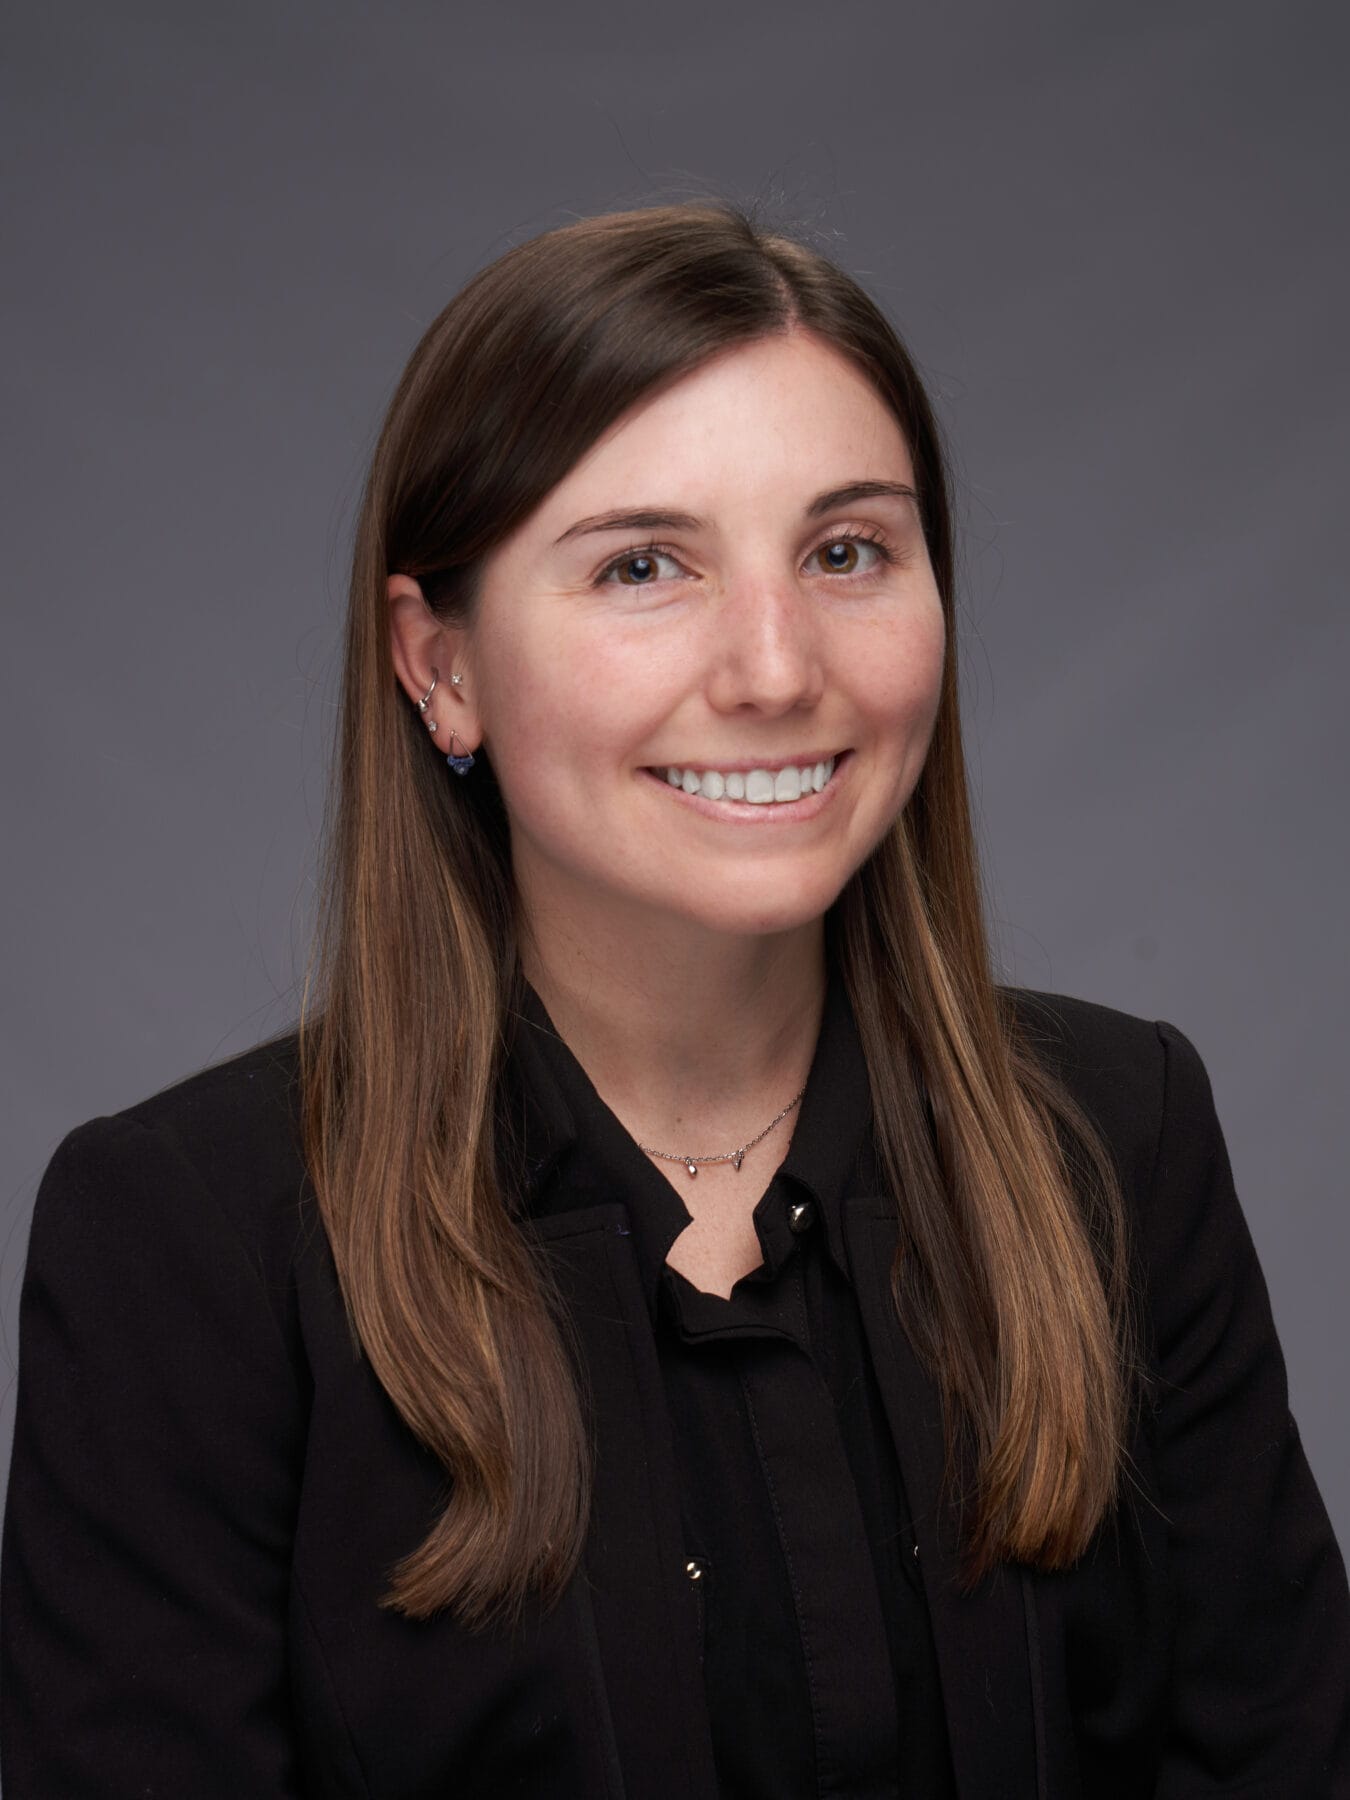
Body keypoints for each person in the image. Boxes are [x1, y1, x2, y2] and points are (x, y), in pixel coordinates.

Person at [2, 201, 1347, 1799]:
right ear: (441, 670)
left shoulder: (1120, 1137)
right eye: (645, 566)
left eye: (846, 552)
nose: (776, 667)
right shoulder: (187, 1240)